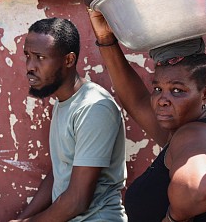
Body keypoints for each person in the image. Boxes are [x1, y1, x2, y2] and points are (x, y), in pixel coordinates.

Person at [87, 9, 206, 221]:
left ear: (205, 94)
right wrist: (106, 40)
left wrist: (174, 218)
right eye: (158, 89)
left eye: (177, 90)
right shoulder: (183, 131)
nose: (162, 99)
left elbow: (199, 189)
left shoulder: (194, 135)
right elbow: (137, 101)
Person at [11, 17, 127, 221]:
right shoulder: (64, 101)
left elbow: (77, 200)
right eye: (27, 56)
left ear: (69, 60)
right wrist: (23, 218)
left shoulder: (93, 107)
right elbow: (60, 171)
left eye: (40, 57)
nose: (30, 66)